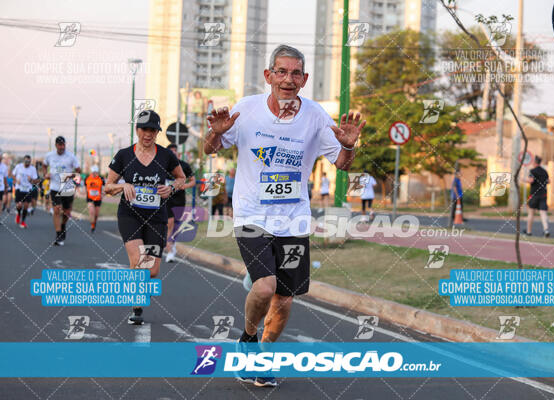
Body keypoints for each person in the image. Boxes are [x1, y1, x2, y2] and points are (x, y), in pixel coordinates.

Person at [203, 44, 365, 387]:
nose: (288, 79)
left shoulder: (316, 115)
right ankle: (247, 339)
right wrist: (215, 133)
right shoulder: (247, 109)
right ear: (268, 76)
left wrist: (349, 145)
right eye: (281, 71)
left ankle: (262, 357)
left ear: (304, 79)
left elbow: (341, 164)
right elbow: (210, 148)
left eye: (295, 73)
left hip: (293, 220)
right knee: (264, 287)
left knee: (284, 298)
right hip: (251, 214)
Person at [105, 110, 185, 325]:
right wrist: (123, 186)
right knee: (138, 261)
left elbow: (181, 178)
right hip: (130, 214)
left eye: (153, 130)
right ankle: (136, 305)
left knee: (153, 270)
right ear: (137, 130)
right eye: (144, 129)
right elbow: (108, 187)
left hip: (157, 216)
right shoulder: (124, 155)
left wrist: (171, 188)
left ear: (157, 132)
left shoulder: (166, 156)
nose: (148, 134)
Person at [43, 136, 81, 246]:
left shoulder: (71, 156)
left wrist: (75, 183)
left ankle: (63, 226)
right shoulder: (49, 155)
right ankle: (58, 234)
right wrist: (45, 174)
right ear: (56, 145)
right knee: (56, 210)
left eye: (63, 145)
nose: (61, 147)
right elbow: (44, 165)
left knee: (67, 213)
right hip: (54, 186)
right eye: (59, 145)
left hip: (67, 185)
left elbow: (78, 170)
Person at [164, 143, 195, 263]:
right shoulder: (163, 165)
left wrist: (184, 186)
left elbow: (192, 181)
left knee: (176, 225)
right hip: (167, 198)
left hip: (180, 199)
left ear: (178, 153)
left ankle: (173, 244)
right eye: (171, 151)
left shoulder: (184, 165)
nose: (173, 153)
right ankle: (170, 250)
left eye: (175, 151)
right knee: (169, 222)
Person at [524, 155, 550, 237]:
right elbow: (549, 181)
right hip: (543, 194)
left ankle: (529, 232)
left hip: (534, 195)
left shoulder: (532, 171)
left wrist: (524, 179)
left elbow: (531, 180)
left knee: (531, 213)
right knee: (543, 213)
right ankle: (546, 230)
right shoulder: (545, 171)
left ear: (534, 162)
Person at [12, 155, 39, 228]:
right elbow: (12, 175)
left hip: (28, 189)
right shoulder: (18, 166)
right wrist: (16, 180)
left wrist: (31, 180)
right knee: (19, 205)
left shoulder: (32, 169)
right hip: (19, 188)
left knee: (26, 206)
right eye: (26, 161)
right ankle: (18, 214)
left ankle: (23, 221)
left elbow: (36, 181)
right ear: (23, 161)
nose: (27, 163)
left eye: (29, 162)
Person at [84, 165, 105, 232]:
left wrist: (103, 193)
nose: (94, 174)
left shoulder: (101, 178)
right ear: (91, 172)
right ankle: (92, 225)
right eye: (93, 172)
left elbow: (105, 187)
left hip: (98, 199)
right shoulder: (87, 178)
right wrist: (85, 193)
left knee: (96, 214)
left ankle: (94, 223)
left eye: (96, 172)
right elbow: (85, 186)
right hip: (90, 198)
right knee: (91, 211)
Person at [0, 154, 7, 221]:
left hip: (1, 187)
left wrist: (6, 187)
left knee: (0, 203)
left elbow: (5, 178)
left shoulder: (4, 167)